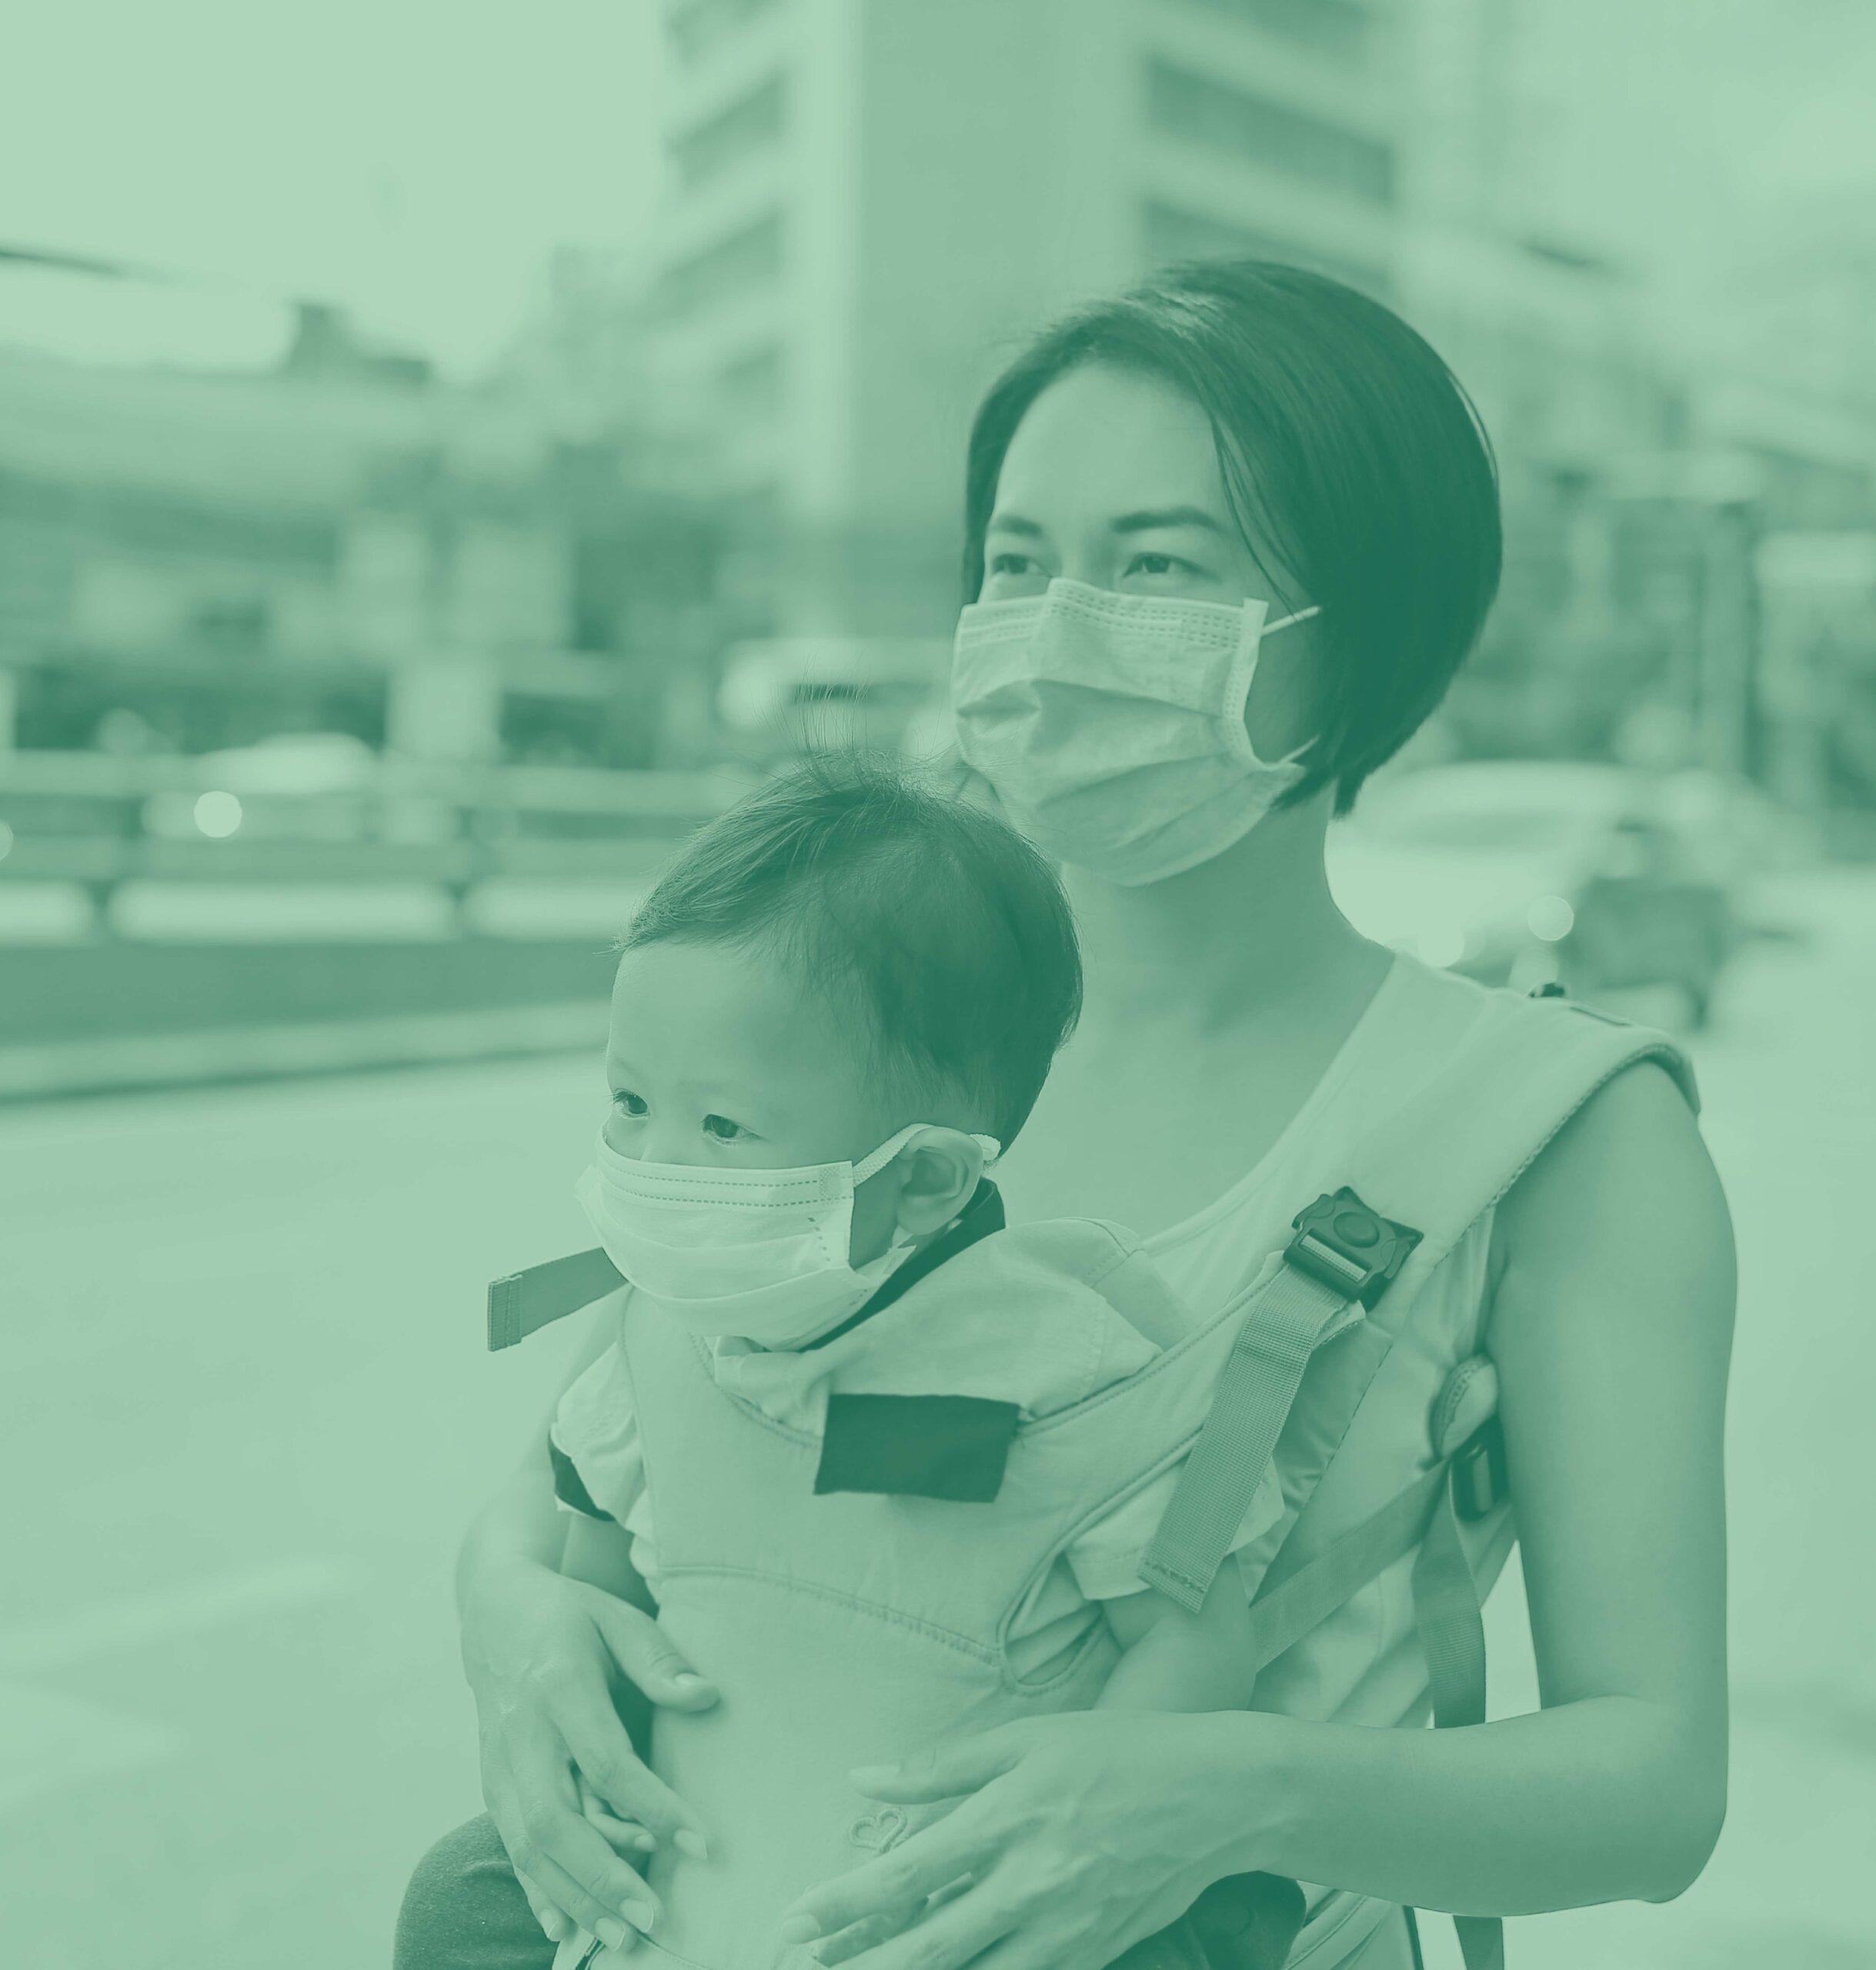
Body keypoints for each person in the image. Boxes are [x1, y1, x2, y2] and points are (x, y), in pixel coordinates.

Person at [398, 259, 1733, 1970]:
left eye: (1157, 564)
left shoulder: (1558, 1136)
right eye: (1017, 561)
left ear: (1359, 626)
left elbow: (1649, 1778)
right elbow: (594, 1458)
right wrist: (502, 1609)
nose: (1055, 621)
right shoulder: (844, 1027)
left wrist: (1227, 1796)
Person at [515, 754, 1305, 1968]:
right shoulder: (649, 1349)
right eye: (630, 1103)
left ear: (928, 1179)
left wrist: (1077, 1841)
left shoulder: (1071, 1379)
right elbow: (595, 1599)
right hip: (695, 1892)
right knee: (451, 1908)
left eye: (722, 1126)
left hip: (963, 1918)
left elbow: (1196, 1640)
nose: (658, 1164)